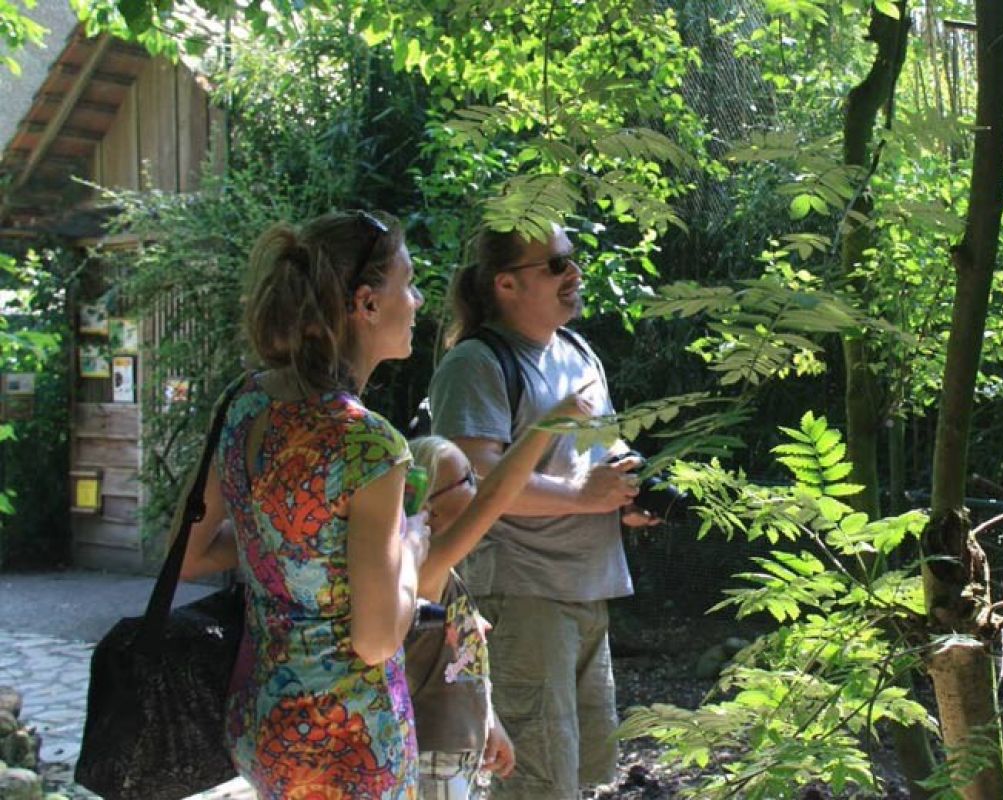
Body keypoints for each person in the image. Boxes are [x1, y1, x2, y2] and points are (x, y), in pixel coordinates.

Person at [181, 210, 425, 798]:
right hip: (349, 746)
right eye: (408, 282)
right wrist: (415, 546)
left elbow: (186, 555)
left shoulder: (243, 403)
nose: (417, 300)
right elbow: (375, 639)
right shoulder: (368, 446)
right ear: (366, 304)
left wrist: (288, 545)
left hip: (262, 723)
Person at [427, 223, 657, 799]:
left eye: (571, 260)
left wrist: (629, 492)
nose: (575, 274)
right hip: (523, 597)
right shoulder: (476, 363)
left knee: (579, 779)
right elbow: (473, 485)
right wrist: (585, 496)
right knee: (533, 784)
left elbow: (603, 451)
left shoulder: (578, 351)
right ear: (506, 283)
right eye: (555, 265)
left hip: (586, 590)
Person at [405, 395, 593, 799]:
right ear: (430, 509)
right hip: (434, 754)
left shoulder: (445, 573)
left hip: (458, 748)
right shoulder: (425, 568)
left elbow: (459, 665)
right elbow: (496, 497)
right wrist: (550, 423)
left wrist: (489, 720)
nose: (478, 488)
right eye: (467, 479)